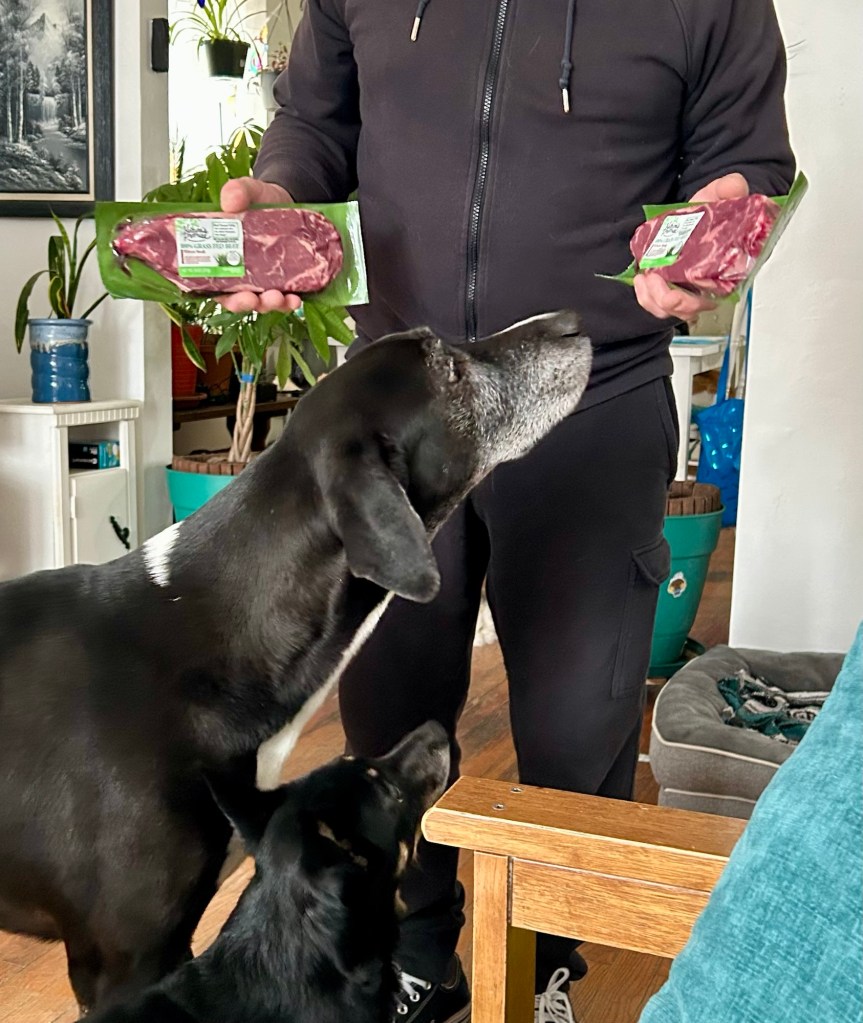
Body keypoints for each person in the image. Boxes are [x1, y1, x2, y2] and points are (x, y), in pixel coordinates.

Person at [218, 3, 795, 1020]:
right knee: (392, 710)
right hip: (393, 393)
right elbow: (317, 120)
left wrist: (716, 226)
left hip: (588, 386)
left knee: (578, 719)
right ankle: (416, 954)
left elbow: (746, 156)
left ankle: (543, 970)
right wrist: (279, 188)